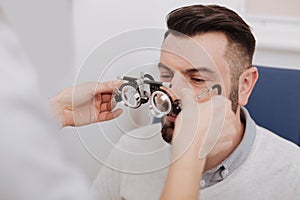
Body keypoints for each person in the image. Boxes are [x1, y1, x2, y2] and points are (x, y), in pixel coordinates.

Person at [91, 5, 300, 200]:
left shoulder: (293, 174)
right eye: (166, 74)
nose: (171, 93)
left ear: (244, 85)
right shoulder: (131, 148)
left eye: (197, 79)